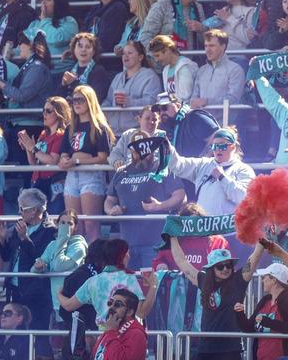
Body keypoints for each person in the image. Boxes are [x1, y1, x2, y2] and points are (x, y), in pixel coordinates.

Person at [170, 240, 260, 360]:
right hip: (205, 350)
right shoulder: (203, 281)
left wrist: (261, 243)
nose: (226, 269)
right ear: (212, 268)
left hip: (229, 350)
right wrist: (174, 238)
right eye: (221, 266)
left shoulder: (238, 282)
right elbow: (182, 263)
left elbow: (252, 261)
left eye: (229, 265)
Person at [105, 133, 186, 268]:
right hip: (126, 245)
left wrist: (160, 206)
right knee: (130, 286)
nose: (143, 154)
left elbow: (181, 196)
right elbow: (109, 200)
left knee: (152, 284)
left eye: (146, 150)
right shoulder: (121, 172)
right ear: (131, 151)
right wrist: (111, 210)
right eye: (138, 151)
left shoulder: (162, 167)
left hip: (156, 243)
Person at [0, 188, 57, 343]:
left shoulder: (50, 231)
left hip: (36, 292)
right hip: (16, 289)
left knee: (37, 335)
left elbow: (39, 260)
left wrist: (25, 239)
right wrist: (2, 239)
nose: (19, 212)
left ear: (35, 211)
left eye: (22, 209)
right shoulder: (20, 228)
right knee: (17, 337)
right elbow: (6, 256)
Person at [58, 84, 114, 241]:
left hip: (91, 176)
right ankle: (79, 262)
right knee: (74, 226)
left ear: (90, 101)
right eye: (74, 100)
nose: (76, 103)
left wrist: (78, 160)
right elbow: (63, 152)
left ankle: (95, 262)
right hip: (71, 176)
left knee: (90, 225)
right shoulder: (70, 127)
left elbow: (103, 157)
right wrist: (64, 160)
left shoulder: (99, 127)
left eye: (81, 99)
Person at [166, 127, 255, 217]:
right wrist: (167, 147)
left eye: (222, 146)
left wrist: (222, 177)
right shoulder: (203, 164)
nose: (217, 149)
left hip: (229, 229)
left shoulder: (243, 169)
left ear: (233, 147)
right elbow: (178, 165)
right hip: (205, 227)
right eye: (214, 146)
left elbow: (246, 198)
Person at [35, 209, 88, 318]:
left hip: (74, 304)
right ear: (57, 224)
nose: (65, 226)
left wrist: (63, 238)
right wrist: (40, 267)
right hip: (55, 305)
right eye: (63, 223)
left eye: (69, 223)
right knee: (56, 335)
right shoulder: (52, 245)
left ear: (76, 227)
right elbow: (35, 269)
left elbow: (59, 266)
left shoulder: (79, 246)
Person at [20, 96, 71, 207]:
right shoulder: (44, 134)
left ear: (59, 113)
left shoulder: (61, 135)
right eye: (43, 110)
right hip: (37, 180)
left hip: (52, 182)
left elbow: (53, 160)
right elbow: (34, 163)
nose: (44, 114)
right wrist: (29, 148)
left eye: (48, 111)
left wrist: (33, 148)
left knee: (51, 217)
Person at [139, 0, 208, 51]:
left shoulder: (198, 7)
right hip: (164, 63)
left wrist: (202, 29)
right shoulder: (161, 6)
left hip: (192, 62)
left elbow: (206, 42)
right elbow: (145, 38)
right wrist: (160, 55)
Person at [103, 41, 159, 135]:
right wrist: (102, 110)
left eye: (130, 53)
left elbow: (152, 103)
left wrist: (130, 102)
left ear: (140, 57)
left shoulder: (150, 77)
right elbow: (108, 100)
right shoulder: (117, 77)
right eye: (124, 53)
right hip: (113, 133)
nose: (125, 56)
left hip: (136, 133)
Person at [190, 29, 245, 113]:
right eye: (206, 46)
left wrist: (207, 102)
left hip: (226, 124)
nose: (207, 50)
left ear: (223, 46)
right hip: (202, 121)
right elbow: (194, 98)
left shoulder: (235, 70)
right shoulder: (202, 70)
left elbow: (233, 99)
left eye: (212, 46)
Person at [155, 92, 220, 159]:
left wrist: (203, 161)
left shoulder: (194, 117)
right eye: (159, 110)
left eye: (164, 107)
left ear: (178, 105)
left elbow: (218, 135)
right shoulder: (165, 129)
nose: (162, 113)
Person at [60, 32, 111, 101]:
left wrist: (74, 83)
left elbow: (95, 98)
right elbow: (59, 99)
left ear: (94, 52)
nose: (83, 50)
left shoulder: (99, 71)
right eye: (80, 46)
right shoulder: (69, 70)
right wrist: (64, 85)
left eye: (88, 47)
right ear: (74, 49)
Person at [150, 35, 198, 102]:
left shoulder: (184, 67)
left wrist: (164, 100)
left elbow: (185, 95)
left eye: (157, 55)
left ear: (167, 50)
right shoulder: (166, 70)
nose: (156, 60)